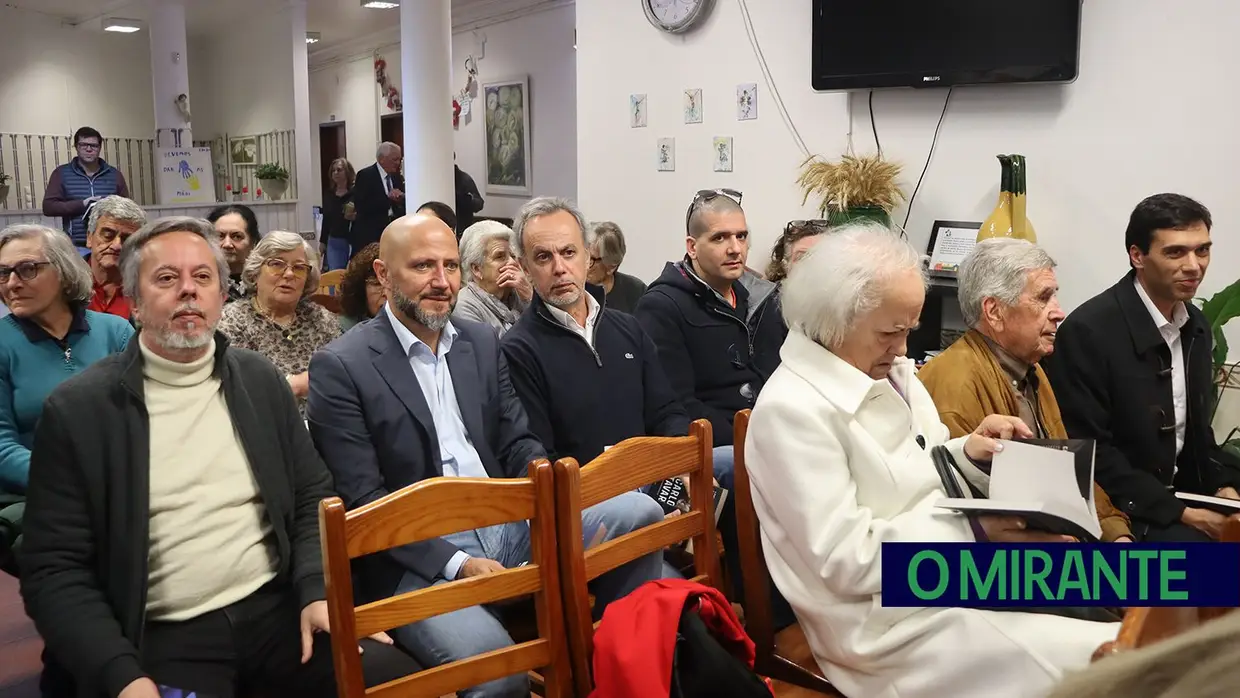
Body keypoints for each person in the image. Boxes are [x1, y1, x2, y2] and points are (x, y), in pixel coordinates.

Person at [19, 217, 418, 698]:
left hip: (277, 608)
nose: (188, 290)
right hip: (160, 631)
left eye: (203, 278)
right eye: (167, 278)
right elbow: (54, 570)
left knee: (400, 681)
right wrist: (120, 675)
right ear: (137, 302)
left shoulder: (257, 380)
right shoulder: (79, 410)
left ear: (220, 294)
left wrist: (317, 591)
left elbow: (313, 492)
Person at [744, 221, 1119, 698]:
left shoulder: (888, 370)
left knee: (1163, 585)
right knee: (1113, 650)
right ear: (833, 320)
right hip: (888, 616)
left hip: (946, 570)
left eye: (909, 330)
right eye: (889, 332)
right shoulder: (790, 411)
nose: (903, 348)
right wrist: (975, 532)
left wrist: (968, 452)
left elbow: (920, 462)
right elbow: (845, 560)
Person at [307, 213, 665, 698]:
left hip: (510, 523)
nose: (441, 282)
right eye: (423, 267)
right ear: (384, 276)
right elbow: (365, 501)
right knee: (501, 678)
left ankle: (617, 672)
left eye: (451, 266)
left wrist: (547, 493)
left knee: (641, 512)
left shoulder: (478, 341)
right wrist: (457, 564)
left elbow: (515, 440)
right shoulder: (342, 366)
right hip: (421, 556)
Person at [1043, 193, 1240, 542]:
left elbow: (1196, 436)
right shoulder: (1089, 331)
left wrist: (1223, 487)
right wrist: (1185, 515)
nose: (1194, 265)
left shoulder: (1195, 326)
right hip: (1124, 508)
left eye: (1202, 250)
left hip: (1183, 493)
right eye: (1175, 252)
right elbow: (1091, 454)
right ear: (1138, 256)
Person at [918, 238, 1133, 542]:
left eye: (1055, 297)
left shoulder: (1032, 369)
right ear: (994, 311)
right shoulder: (956, 380)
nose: (1059, 313)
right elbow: (968, 514)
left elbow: (1068, 475)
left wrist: (1115, 534)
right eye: (1043, 298)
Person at [501, 197, 687, 466]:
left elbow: (667, 411)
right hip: (587, 494)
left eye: (568, 252)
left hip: (650, 476)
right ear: (525, 267)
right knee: (637, 511)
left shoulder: (628, 328)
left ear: (587, 256)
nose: (559, 268)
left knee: (732, 465)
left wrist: (679, 468)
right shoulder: (518, 350)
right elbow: (541, 457)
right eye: (543, 257)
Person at [0, 224, 133, 495]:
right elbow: (2, 448)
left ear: (63, 272)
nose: (12, 283)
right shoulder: (3, 342)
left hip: (123, 486)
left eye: (27, 269)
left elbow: (145, 417)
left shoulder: (116, 331)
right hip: (38, 496)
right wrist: (76, 480)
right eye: (3, 273)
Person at [634, 188, 762, 452]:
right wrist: (750, 441)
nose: (735, 249)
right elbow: (675, 404)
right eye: (720, 238)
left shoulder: (755, 297)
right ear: (692, 247)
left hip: (760, 431)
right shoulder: (661, 306)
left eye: (741, 236)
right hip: (713, 447)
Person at [217, 231, 341, 417]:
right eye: (276, 264)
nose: (289, 274)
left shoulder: (321, 318)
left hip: (328, 425)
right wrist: (295, 386)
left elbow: (344, 376)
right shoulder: (230, 322)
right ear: (255, 273)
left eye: (299, 268)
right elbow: (234, 392)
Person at [748, 219, 829, 382]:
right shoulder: (773, 306)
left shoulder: (842, 304)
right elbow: (769, 372)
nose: (811, 264)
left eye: (820, 256)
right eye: (802, 257)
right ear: (785, 265)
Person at [42, 126, 131, 250]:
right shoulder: (61, 173)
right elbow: (48, 207)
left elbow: (128, 208)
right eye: (83, 145)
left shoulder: (114, 174)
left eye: (93, 146)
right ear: (76, 147)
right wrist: (83, 204)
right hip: (76, 245)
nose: (89, 149)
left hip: (109, 242)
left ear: (100, 148)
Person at [453, 220, 532, 336]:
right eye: (500, 256)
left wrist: (530, 298)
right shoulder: (464, 306)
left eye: (513, 256)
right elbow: (492, 352)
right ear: (477, 269)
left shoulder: (522, 293)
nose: (512, 262)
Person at [83, 195, 147, 321]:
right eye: (108, 235)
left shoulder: (148, 288)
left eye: (126, 239)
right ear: (89, 238)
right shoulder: (65, 284)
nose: (117, 245)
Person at [350, 142, 405, 254]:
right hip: (370, 233)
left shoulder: (397, 177)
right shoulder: (365, 175)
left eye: (399, 159)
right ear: (382, 159)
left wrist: (401, 198)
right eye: (394, 159)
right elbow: (361, 205)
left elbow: (401, 205)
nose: (398, 163)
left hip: (392, 232)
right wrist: (388, 198)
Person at [586, 221, 646, 314]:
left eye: (591, 260)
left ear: (611, 267)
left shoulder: (636, 291)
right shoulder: (572, 291)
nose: (583, 265)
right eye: (583, 256)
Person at [206, 204, 261, 302]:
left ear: (253, 241)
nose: (227, 244)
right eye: (219, 236)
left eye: (236, 236)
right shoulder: (200, 282)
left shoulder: (264, 282)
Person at [337, 242, 384, 331]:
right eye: (377, 284)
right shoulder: (343, 331)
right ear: (361, 289)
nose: (386, 293)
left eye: (393, 285)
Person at [321, 157, 356, 271]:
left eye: (339, 170)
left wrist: (355, 217)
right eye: (333, 170)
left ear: (347, 172)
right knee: (335, 273)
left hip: (353, 239)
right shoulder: (329, 194)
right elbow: (326, 220)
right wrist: (323, 241)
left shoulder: (355, 193)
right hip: (335, 239)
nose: (335, 173)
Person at [455, 159, 485, 236]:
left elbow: (479, 204)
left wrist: (467, 200)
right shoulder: (441, 177)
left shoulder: (464, 179)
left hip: (462, 229)